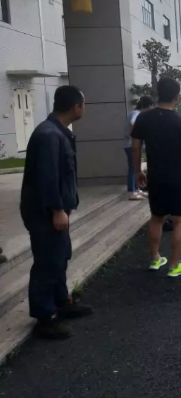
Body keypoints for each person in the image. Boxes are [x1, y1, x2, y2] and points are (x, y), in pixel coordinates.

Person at [20, 85, 93, 340]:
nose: (84, 108)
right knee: (47, 261)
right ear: (75, 107)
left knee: (59, 256)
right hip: (44, 211)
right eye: (84, 104)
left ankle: (62, 303)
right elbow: (48, 177)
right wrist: (57, 210)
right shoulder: (49, 135)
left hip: (54, 209)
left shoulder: (57, 132)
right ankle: (45, 317)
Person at [131, 78, 181, 278]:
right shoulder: (180, 122)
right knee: (180, 220)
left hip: (156, 176)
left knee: (157, 218)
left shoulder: (143, 118)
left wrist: (137, 171)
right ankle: (174, 265)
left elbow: (136, 147)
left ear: (158, 94)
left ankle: (155, 259)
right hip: (180, 178)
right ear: (176, 97)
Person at [124, 96, 154, 200]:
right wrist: (138, 135)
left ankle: (137, 190)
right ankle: (131, 191)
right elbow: (133, 123)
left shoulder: (136, 113)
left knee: (136, 167)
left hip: (131, 144)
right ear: (149, 106)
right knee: (133, 168)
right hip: (130, 145)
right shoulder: (136, 113)